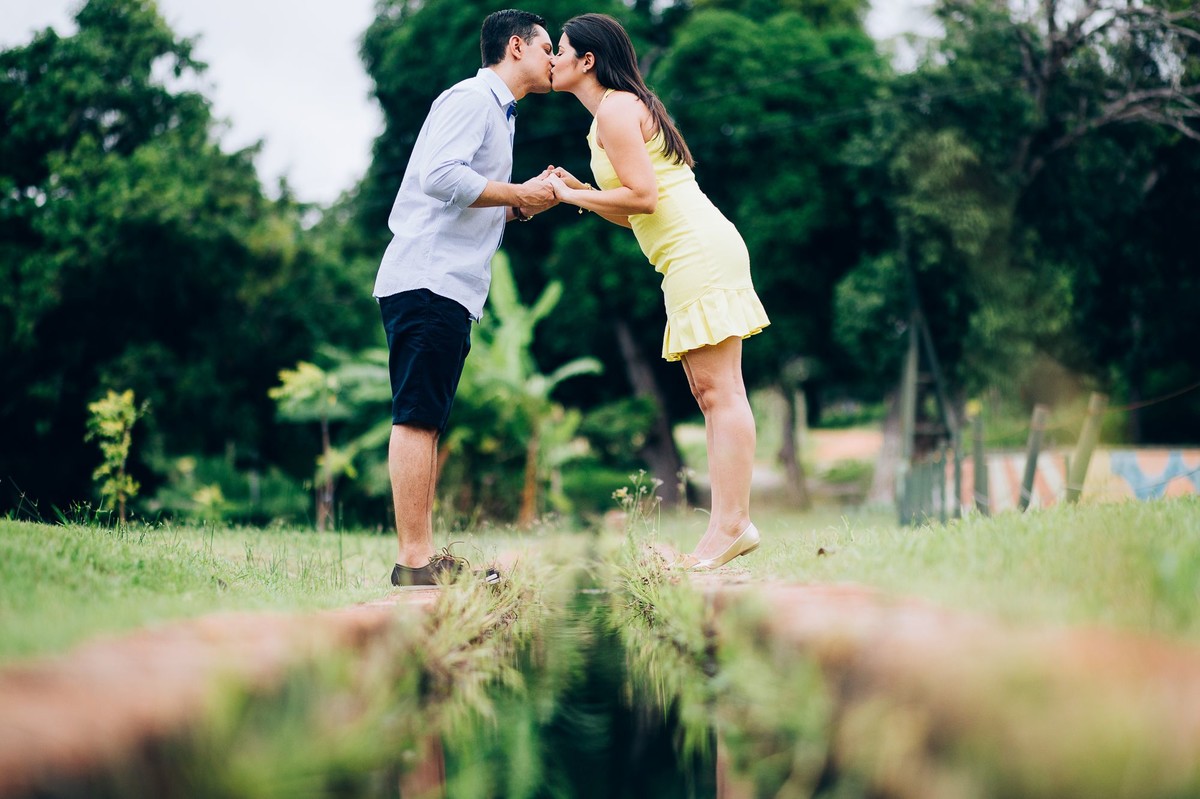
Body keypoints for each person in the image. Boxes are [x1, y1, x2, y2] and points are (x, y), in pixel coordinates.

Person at [546, 13, 770, 571]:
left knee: (723, 394)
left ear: (587, 61)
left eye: (562, 50)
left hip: (700, 250)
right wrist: (581, 190)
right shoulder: (606, 118)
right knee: (709, 392)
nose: (552, 59)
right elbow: (635, 214)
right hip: (685, 255)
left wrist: (571, 198)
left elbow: (643, 198)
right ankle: (727, 525)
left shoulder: (618, 109)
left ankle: (733, 525)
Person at [374, 9, 557, 588]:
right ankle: (412, 563)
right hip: (428, 278)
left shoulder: (501, 116)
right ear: (516, 46)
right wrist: (516, 190)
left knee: (428, 418)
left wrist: (524, 201)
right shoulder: (473, 99)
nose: (555, 59)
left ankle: (422, 556)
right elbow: (439, 177)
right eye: (547, 47)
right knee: (416, 418)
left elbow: (470, 194)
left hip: (449, 285)